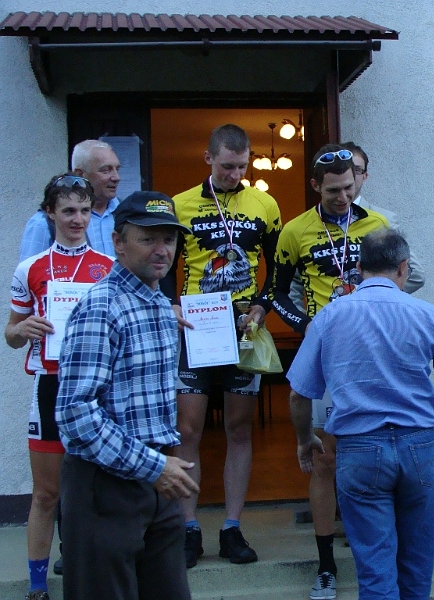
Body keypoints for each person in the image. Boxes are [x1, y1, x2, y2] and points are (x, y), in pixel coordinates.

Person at [288, 228, 434, 600]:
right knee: (417, 568)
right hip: (417, 447)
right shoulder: (426, 313)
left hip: (359, 449)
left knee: (375, 573)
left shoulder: (330, 316)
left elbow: (298, 393)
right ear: (403, 268)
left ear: (359, 268)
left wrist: (303, 439)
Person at [55, 191, 199, 600]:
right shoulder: (101, 307)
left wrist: (160, 466)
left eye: (169, 239)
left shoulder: (161, 305)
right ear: (118, 242)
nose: (162, 250)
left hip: (158, 485)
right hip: (105, 488)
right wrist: (153, 467)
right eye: (148, 238)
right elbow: (75, 414)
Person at [270, 143, 390, 599]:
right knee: (324, 460)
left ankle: (373, 554)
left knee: (372, 456)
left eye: (348, 188)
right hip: (324, 356)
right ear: (315, 186)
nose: (343, 197)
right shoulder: (295, 231)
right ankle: (325, 566)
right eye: (332, 190)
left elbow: (396, 282)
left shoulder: (376, 225)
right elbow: (276, 292)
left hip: (370, 356)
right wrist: (307, 325)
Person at [165, 123, 282, 568]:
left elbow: (278, 268)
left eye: (242, 167)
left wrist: (261, 307)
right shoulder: (180, 204)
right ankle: (188, 527)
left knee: (239, 429)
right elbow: (164, 263)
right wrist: (172, 303)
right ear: (208, 159)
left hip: (242, 328)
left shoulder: (264, 204)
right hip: (196, 326)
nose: (235, 175)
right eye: (227, 166)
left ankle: (232, 527)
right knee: (188, 429)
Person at [6, 174, 114, 600]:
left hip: (95, 387)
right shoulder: (29, 268)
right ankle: (37, 586)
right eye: (68, 210)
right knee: (47, 493)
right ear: (49, 213)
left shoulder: (109, 267)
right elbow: (11, 334)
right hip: (49, 385)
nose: (77, 219)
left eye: (85, 211)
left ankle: (94, 578)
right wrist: (22, 330)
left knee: (96, 491)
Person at [341, 142, 425, 293]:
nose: (350, 175)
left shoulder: (384, 219)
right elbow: (295, 281)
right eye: (344, 168)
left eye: (357, 169)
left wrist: (379, 296)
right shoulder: (310, 222)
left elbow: (415, 275)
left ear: (365, 176)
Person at [20, 140, 122, 260]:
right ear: (80, 174)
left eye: (117, 169)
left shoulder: (126, 213)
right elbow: (31, 270)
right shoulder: (43, 222)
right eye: (106, 170)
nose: (116, 177)